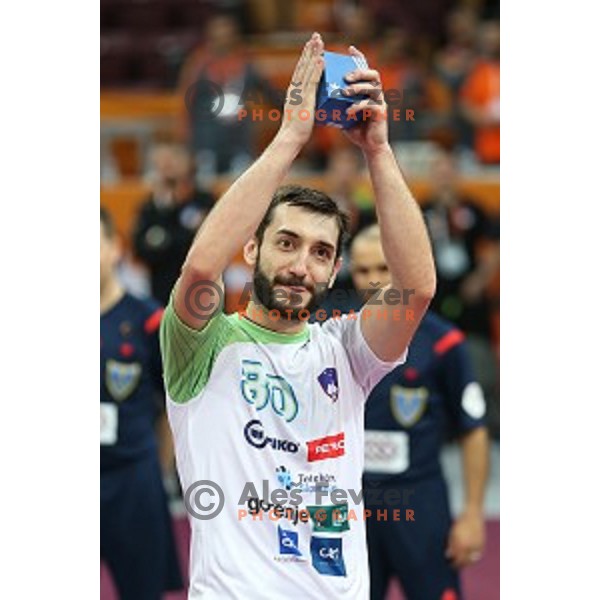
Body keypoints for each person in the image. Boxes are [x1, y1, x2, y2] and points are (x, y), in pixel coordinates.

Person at [159, 33, 436, 599]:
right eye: (285, 243)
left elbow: (416, 287)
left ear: (334, 273)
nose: (300, 266)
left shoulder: (346, 351)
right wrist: (289, 136)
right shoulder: (203, 345)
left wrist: (378, 151)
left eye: (319, 253)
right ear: (252, 251)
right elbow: (198, 270)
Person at [347, 224, 489, 600]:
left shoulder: (443, 342)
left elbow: (472, 430)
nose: (373, 280)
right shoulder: (334, 335)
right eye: (363, 270)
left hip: (418, 501)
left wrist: (473, 513)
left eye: (382, 268)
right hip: (349, 503)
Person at [100, 208, 183, 599]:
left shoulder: (149, 319)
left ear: (115, 248)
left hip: (133, 479)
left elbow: (173, 403)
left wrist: (161, 471)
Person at [421, 149, 500, 435]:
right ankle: (442, 423)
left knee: (478, 357)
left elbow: (494, 249)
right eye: (438, 171)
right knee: (434, 355)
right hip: (435, 297)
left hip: (470, 296)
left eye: (448, 170)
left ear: (456, 174)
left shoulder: (473, 208)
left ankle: (484, 421)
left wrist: (479, 280)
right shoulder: (422, 209)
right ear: (431, 176)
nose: (443, 176)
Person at [132, 142, 214, 305]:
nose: (168, 166)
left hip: (203, 292)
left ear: (189, 163)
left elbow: (208, 244)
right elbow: (140, 248)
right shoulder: (149, 207)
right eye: (162, 162)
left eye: (173, 160)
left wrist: (163, 240)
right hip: (162, 292)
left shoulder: (204, 200)